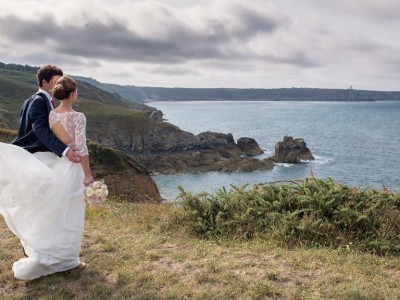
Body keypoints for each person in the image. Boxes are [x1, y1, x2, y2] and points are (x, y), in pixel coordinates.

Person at [0, 74, 93, 280]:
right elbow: (81, 147)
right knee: (70, 212)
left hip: (57, 163)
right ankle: (68, 258)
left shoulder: (53, 113)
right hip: (70, 165)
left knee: (57, 211)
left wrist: (63, 151)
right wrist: (87, 173)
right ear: (73, 93)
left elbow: (46, 132)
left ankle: (53, 252)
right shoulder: (76, 116)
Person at [12, 65, 81, 163]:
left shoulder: (30, 100)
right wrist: (65, 150)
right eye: (57, 81)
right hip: (36, 154)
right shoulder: (39, 101)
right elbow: (40, 129)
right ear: (44, 82)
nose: (60, 84)